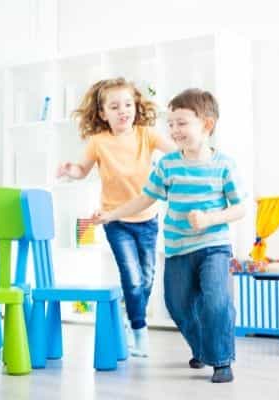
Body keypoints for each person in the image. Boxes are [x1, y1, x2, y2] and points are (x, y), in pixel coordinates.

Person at [93, 88, 246, 383]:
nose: (174, 130)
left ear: (207, 125)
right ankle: (202, 346)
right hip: (177, 249)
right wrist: (111, 214)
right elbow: (145, 199)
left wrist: (210, 218)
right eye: (171, 124)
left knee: (216, 300)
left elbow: (240, 208)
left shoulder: (223, 164)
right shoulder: (167, 164)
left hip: (214, 246)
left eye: (182, 123)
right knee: (176, 304)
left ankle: (222, 359)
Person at [57, 78, 176, 357]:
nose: (123, 111)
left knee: (146, 277)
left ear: (135, 106)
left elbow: (177, 153)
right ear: (102, 113)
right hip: (115, 220)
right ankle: (139, 332)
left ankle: (129, 312)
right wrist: (69, 169)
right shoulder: (99, 142)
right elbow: (82, 171)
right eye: (114, 106)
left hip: (147, 217)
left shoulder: (147, 135)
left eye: (128, 104)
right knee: (132, 277)